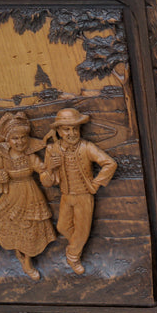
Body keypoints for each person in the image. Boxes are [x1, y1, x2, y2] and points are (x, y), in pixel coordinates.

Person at [42, 108, 116, 275]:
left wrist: (96, 183)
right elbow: (46, 182)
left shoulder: (87, 147)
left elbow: (110, 163)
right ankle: (79, 243)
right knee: (62, 227)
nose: (72, 133)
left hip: (84, 196)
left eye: (75, 128)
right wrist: (50, 169)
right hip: (66, 196)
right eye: (67, 129)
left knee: (82, 231)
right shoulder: (52, 150)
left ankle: (73, 256)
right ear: (59, 131)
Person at [0, 112, 55, 281]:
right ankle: (18, 252)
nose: (20, 142)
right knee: (8, 221)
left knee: (31, 227)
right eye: (15, 139)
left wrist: (49, 166)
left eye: (23, 137)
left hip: (30, 194)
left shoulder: (29, 156)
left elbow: (42, 169)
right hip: (11, 195)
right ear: (7, 140)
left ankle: (28, 261)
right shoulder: (2, 157)